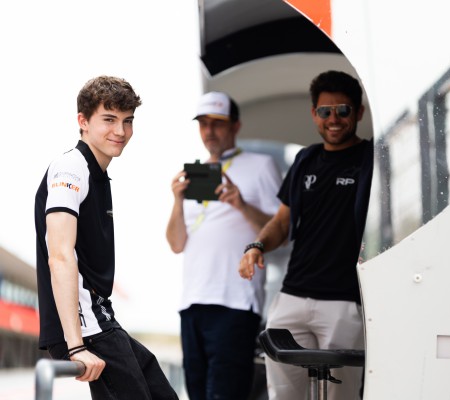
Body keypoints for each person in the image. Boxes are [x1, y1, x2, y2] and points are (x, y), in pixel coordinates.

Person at [34, 76, 178, 399]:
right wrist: (75, 346)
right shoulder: (71, 167)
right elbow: (59, 255)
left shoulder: (98, 175)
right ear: (83, 121)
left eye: (128, 121)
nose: (121, 131)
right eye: (109, 120)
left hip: (102, 318)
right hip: (86, 328)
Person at [239, 70, 374, 400]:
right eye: (325, 111)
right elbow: (282, 221)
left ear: (358, 112)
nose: (333, 119)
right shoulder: (305, 159)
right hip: (292, 296)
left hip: (345, 301)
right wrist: (257, 246)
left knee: (341, 396)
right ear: (314, 114)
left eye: (342, 110)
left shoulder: (371, 159)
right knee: (283, 394)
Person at [166, 91, 282, 400]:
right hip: (192, 302)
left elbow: (282, 231)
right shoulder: (194, 175)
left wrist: (241, 204)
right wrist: (177, 200)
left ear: (235, 126)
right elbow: (176, 244)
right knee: (197, 394)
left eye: (217, 123)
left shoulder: (261, 165)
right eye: (203, 123)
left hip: (236, 301)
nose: (209, 131)